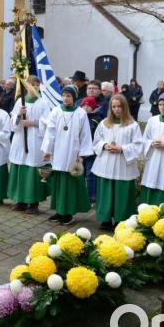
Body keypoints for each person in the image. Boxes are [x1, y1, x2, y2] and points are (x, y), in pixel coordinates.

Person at [41, 86, 94, 225]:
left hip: (72, 152)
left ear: (74, 97)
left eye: (68, 96)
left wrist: (82, 154)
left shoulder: (81, 113)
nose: (65, 98)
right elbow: (50, 131)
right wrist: (48, 150)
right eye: (63, 95)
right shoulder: (56, 111)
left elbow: (85, 135)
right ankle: (59, 211)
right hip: (58, 152)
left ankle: (68, 213)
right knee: (59, 183)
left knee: (70, 184)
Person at [91, 94, 143, 229]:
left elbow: (138, 145)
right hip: (106, 163)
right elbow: (96, 141)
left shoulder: (132, 125)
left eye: (119, 106)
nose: (116, 109)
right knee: (105, 192)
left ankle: (121, 220)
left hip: (123, 164)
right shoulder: (104, 123)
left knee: (122, 193)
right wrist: (104, 145)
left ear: (125, 107)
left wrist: (122, 148)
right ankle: (105, 219)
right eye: (113, 107)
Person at [7, 82, 51, 214]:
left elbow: (48, 122)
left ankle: (33, 203)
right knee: (20, 168)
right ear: (26, 86)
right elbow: (12, 123)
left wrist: (34, 123)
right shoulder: (20, 101)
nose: (34, 87)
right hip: (21, 140)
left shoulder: (43, 103)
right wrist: (19, 114)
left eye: (37, 85)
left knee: (33, 171)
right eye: (32, 84)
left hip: (35, 141)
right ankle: (20, 200)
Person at [79, 96, 101, 204]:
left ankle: (91, 197)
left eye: (88, 106)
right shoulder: (79, 118)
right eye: (83, 105)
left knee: (90, 175)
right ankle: (80, 195)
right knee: (80, 174)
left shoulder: (97, 119)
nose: (85, 107)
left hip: (92, 152)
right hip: (80, 152)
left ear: (93, 107)